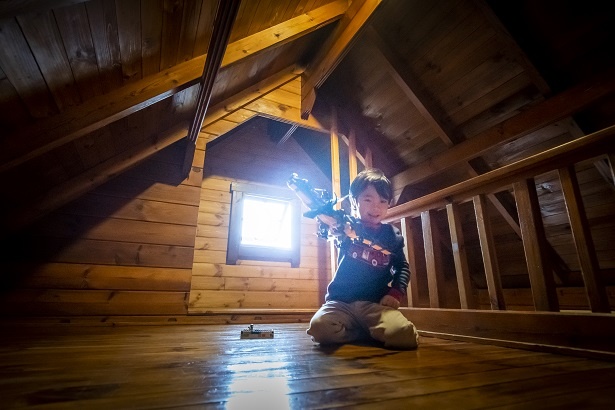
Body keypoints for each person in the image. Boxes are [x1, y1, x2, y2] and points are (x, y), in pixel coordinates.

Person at [307, 168, 419, 350]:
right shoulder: (348, 225)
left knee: (404, 336)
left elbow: (402, 267)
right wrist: (336, 227)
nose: (376, 207)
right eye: (368, 199)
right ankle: (366, 332)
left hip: (375, 304)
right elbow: (336, 230)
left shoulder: (393, 235)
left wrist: (396, 292)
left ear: (388, 204)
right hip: (340, 302)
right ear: (354, 201)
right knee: (320, 328)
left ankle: (364, 329)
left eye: (383, 201)